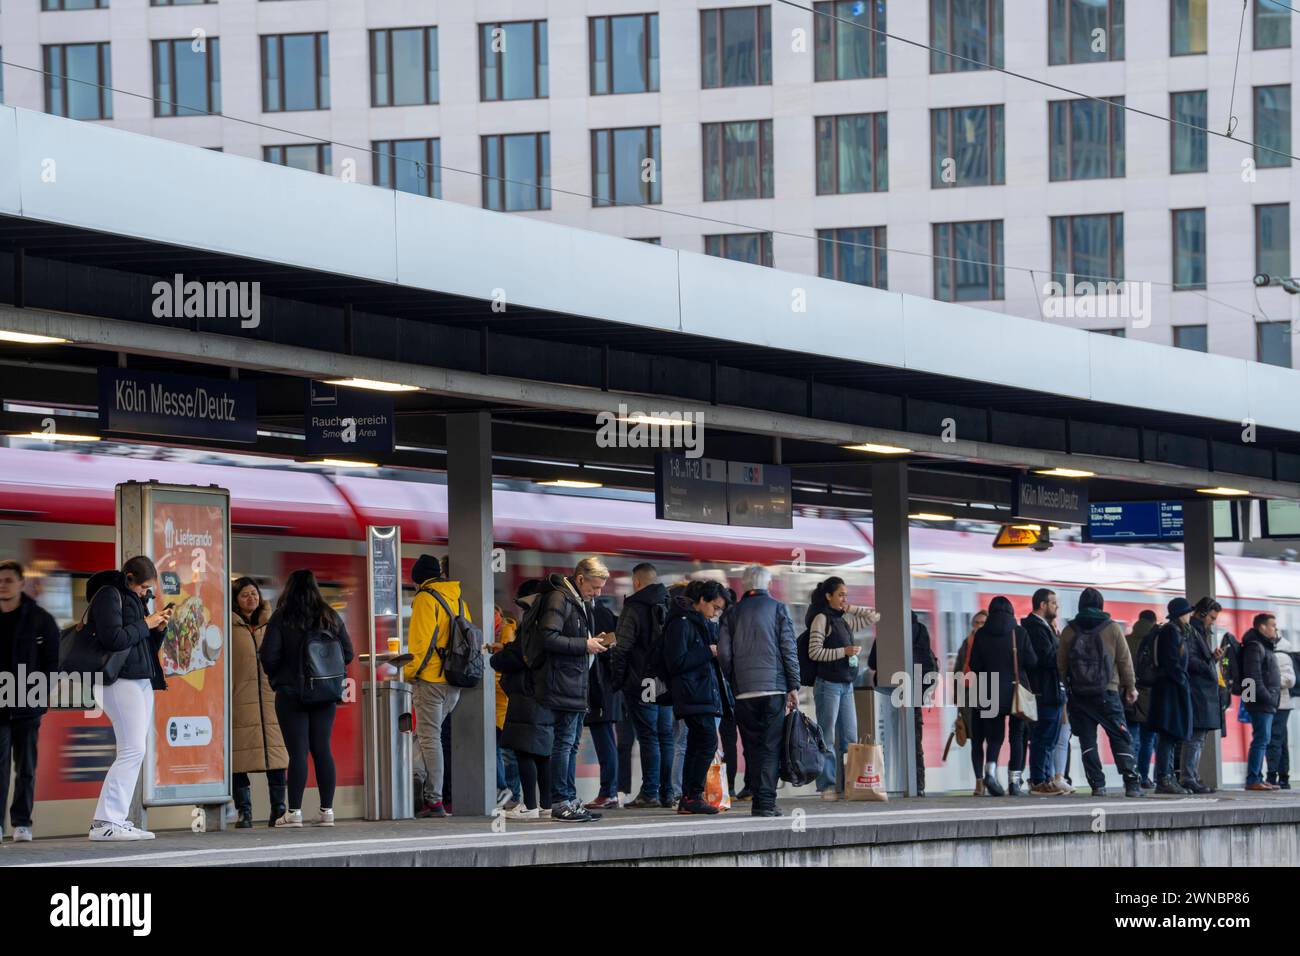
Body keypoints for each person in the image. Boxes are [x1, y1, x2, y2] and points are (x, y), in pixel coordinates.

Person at [260, 568, 354, 827]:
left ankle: (295, 813)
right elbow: (348, 653)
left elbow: (268, 656)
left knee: (298, 753)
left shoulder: (282, 617)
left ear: (289, 589)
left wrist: (280, 677)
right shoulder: (330, 616)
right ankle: (327, 811)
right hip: (325, 695)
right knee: (323, 750)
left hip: (292, 694)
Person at [87, 556, 171, 841]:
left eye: (150, 590)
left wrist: (158, 629)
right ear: (129, 577)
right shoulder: (109, 595)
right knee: (132, 749)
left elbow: (142, 644)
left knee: (135, 749)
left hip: (139, 678)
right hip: (117, 680)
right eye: (144, 587)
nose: (146, 593)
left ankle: (115, 819)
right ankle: (106, 822)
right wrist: (147, 623)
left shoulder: (136, 600)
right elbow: (113, 640)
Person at [718, 565, 798, 817]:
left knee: (752, 747)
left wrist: (734, 679)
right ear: (768, 584)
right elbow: (788, 648)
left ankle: (756, 798)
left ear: (744, 585)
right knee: (771, 746)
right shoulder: (778, 608)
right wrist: (793, 685)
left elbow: (724, 653)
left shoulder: (732, 613)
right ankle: (765, 802)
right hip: (773, 689)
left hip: (743, 693)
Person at [536, 557, 611, 823]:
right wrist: (584, 645)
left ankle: (570, 799)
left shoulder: (577, 601)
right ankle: (561, 801)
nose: (598, 593)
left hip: (576, 683)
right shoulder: (560, 599)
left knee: (571, 744)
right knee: (564, 744)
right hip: (563, 683)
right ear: (580, 579)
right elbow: (547, 637)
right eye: (594, 587)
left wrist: (592, 644)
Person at [1056, 588, 1144, 798]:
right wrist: (1131, 687)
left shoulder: (1070, 631)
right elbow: (1124, 660)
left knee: (1087, 741)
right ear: (1101, 605)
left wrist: (1067, 690)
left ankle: (1098, 786)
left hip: (1079, 696)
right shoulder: (1112, 629)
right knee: (1120, 737)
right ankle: (1131, 784)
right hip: (1107, 693)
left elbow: (1061, 666)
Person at [403, 554, 468, 819]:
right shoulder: (458, 599)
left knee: (430, 740)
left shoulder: (425, 599)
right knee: (431, 737)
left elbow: (420, 643)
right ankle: (422, 786)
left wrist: (409, 673)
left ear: (418, 579)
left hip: (430, 680)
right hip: (454, 681)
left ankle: (434, 801)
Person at [0, 561, 59, 842]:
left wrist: (39, 691)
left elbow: (52, 663)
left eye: (9, 580)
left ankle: (22, 823)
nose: (3, 584)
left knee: (25, 769)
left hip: (26, 707)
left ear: (21, 584)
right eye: (0, 580)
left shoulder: (40, 619)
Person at [805, 576, 877, 800]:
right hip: (828, 685)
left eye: (846, 595)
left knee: (850, 737)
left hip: (846, 684)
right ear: (828, 596)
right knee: (826, 736)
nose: (845, 598)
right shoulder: (821, 619)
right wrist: (843, 652)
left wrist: (851, 607)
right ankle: (826, 786)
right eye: (841, 595)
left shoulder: (844, 620)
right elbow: (814, 652)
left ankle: (852, 784)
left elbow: (874, 616)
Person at [609, 562, 674, 809]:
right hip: (664, 681)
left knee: (649, 737)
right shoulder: (670, 603)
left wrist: (617, 680)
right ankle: (667, 792)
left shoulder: (633, 606)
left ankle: (649, 793)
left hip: (642, 680)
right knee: (665, 736)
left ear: (636, 582)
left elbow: (622, 647)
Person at [662, 580, 728, 815]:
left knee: (697, 743)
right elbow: (676, 662)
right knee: (706, 741)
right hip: (691, 694)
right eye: (715, 607)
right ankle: (691, 795)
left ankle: (690, 797)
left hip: (700, 693)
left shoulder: (697, 622)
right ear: (702, 601)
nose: (716, 613)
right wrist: (707, 652)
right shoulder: (681, 623)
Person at [493, 581, 555, 820]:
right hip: (543, 693)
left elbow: (519, 655)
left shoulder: (533, 624)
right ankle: (546, 805)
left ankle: (529, 805)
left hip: (526, 694)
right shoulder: (550, 622)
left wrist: (498, 658)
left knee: (524, 751)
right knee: (541, 753)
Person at [230, 577, 288, 828]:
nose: (251, 598)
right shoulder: (228, 626)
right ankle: (245, 813)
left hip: (270, 701)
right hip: (239, 701)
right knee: (238, 761)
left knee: (276, 758)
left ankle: (279, 810)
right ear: (235, 600)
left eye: (254, 593)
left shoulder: (272, 624)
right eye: (244, 594)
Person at [967, 596, 1036, 796]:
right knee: (1017, 736)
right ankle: (1014, 783)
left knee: (994, 737)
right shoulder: (1020, 633)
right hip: (1015, 691)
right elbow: (1032, 661)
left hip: (990, 692)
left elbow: (974, 665)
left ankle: (990, 772)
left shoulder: (981, 634)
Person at [867, 609, 938, 796]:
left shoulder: (886, 631)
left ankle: (889, 781)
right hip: (913, 690)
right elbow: (926, 662)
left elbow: (872, 662)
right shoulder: (920, 630)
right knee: (914, 740)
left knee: (888, 738)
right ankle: (917, 785)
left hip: (887, 693)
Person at [1022, 588, 1068, 796]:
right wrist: (1060, 644)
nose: (1056, 606)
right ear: (1042, 605)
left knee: (1049, 738)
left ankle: (1046, 778)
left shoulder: (1044, 627)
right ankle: (1039, 780)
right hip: (1044, 691)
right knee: (1043, 738)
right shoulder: (1035, 628)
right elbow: (1048, 658)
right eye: (1053, 603)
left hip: (1051, 690)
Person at [1147, 598, 1195, 795]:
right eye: (1188, 612)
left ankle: (1168, 777)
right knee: (1168, 734)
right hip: (1170, 692)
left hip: (1171, 690)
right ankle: (1164, 779)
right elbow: (1172, 663)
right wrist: (1183, 682)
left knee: (1171, 735)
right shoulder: (1171, 632)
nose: (1190, 616)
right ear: (1181, 614)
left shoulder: (1175, 631)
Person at [1182, 598, 1225, 794]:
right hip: (1197, 691)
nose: (1213, 622)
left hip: (1202, 692)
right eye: (1212, 618)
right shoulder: (1193, 632)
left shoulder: (1199, 632)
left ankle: (1193, 776)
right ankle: (1189, 777)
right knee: (1195, 738)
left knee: (1198, 738)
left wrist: (1213, 659)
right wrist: (1209, 663)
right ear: (1201, 614)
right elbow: (1191, 661)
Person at [584, 599, 622, 810]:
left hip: (601, 687)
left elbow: (608, 650)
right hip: (604, 687)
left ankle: (609, 792)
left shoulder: (597, 613)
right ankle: (609, 791)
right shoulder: (602, 612)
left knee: (604, 738)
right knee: (604, 738)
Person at [1241, 612, 1283, 791]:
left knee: (1262, 740)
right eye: (1273, 625)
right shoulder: (1255, 647)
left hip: (1264, 702)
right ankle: (1253, 779)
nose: (1275, 629)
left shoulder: (1264, 646)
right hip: (1261, 703)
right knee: (1260, 740)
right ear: (1262, 627)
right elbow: (1253, 677)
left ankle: (1258, 777)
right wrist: (1269, 698)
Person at [490, 605, 521, 809]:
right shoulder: (502, 630)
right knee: (501, 750)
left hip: (502, 701)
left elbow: (506, 668)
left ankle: (511, 794)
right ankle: (509, 793)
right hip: (497, 701)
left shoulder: (506, 632)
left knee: (506, 752)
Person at [1125, 610, 1160, 789]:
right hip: (1151, 696)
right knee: (1148, 739)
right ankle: (1144, 777)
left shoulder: (1126, 640)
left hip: (1128, 695)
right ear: (1154, 622)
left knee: (1132, 738)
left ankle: (1131, 777)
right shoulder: (1156, 641)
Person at [954, 610, 988, 795]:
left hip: (990, 694)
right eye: (976, 623)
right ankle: (979, 781)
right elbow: (958, 670)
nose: (978, 626)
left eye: (982, 622)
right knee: (976, 740)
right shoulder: (966, 644)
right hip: (969, 696)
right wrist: (958, 700)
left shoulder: (993, 643)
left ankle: (989, 777)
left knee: (991, 739)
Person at [1267, 617, 1294, 789]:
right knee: (1280, 740)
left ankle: (1271, 777)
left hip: (1279, 704)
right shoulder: (1262, 648)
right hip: (1275, 703)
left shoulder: (1282, 652)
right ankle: (1283, 777)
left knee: (1273, 740)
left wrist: (1268, 682)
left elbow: (1290, 679)